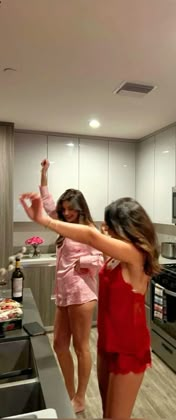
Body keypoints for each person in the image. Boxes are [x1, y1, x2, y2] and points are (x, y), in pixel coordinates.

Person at [19, 192, 160, 419]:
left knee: (116, 416)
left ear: (127, 227)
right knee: (107, 413)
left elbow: (90, 237)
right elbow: (90, 241)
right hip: (107, 343)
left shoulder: (136, 255)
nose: (107, 230)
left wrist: (46, 221)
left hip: (129, 347)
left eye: (112, 226)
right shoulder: (115, 256)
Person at [39, 159, 103, 414]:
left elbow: (101, 259)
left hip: (82, 293)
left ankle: (80, 396)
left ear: (80, 209)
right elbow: (46, 205)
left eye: (70, 210)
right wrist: (44, 173)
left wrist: (83, 261)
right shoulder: (66, 226)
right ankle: (67, 391)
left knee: (81, 346)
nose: (65, 213)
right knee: (59, 344)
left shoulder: (89, 229)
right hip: (64, 293)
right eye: (63, 209)